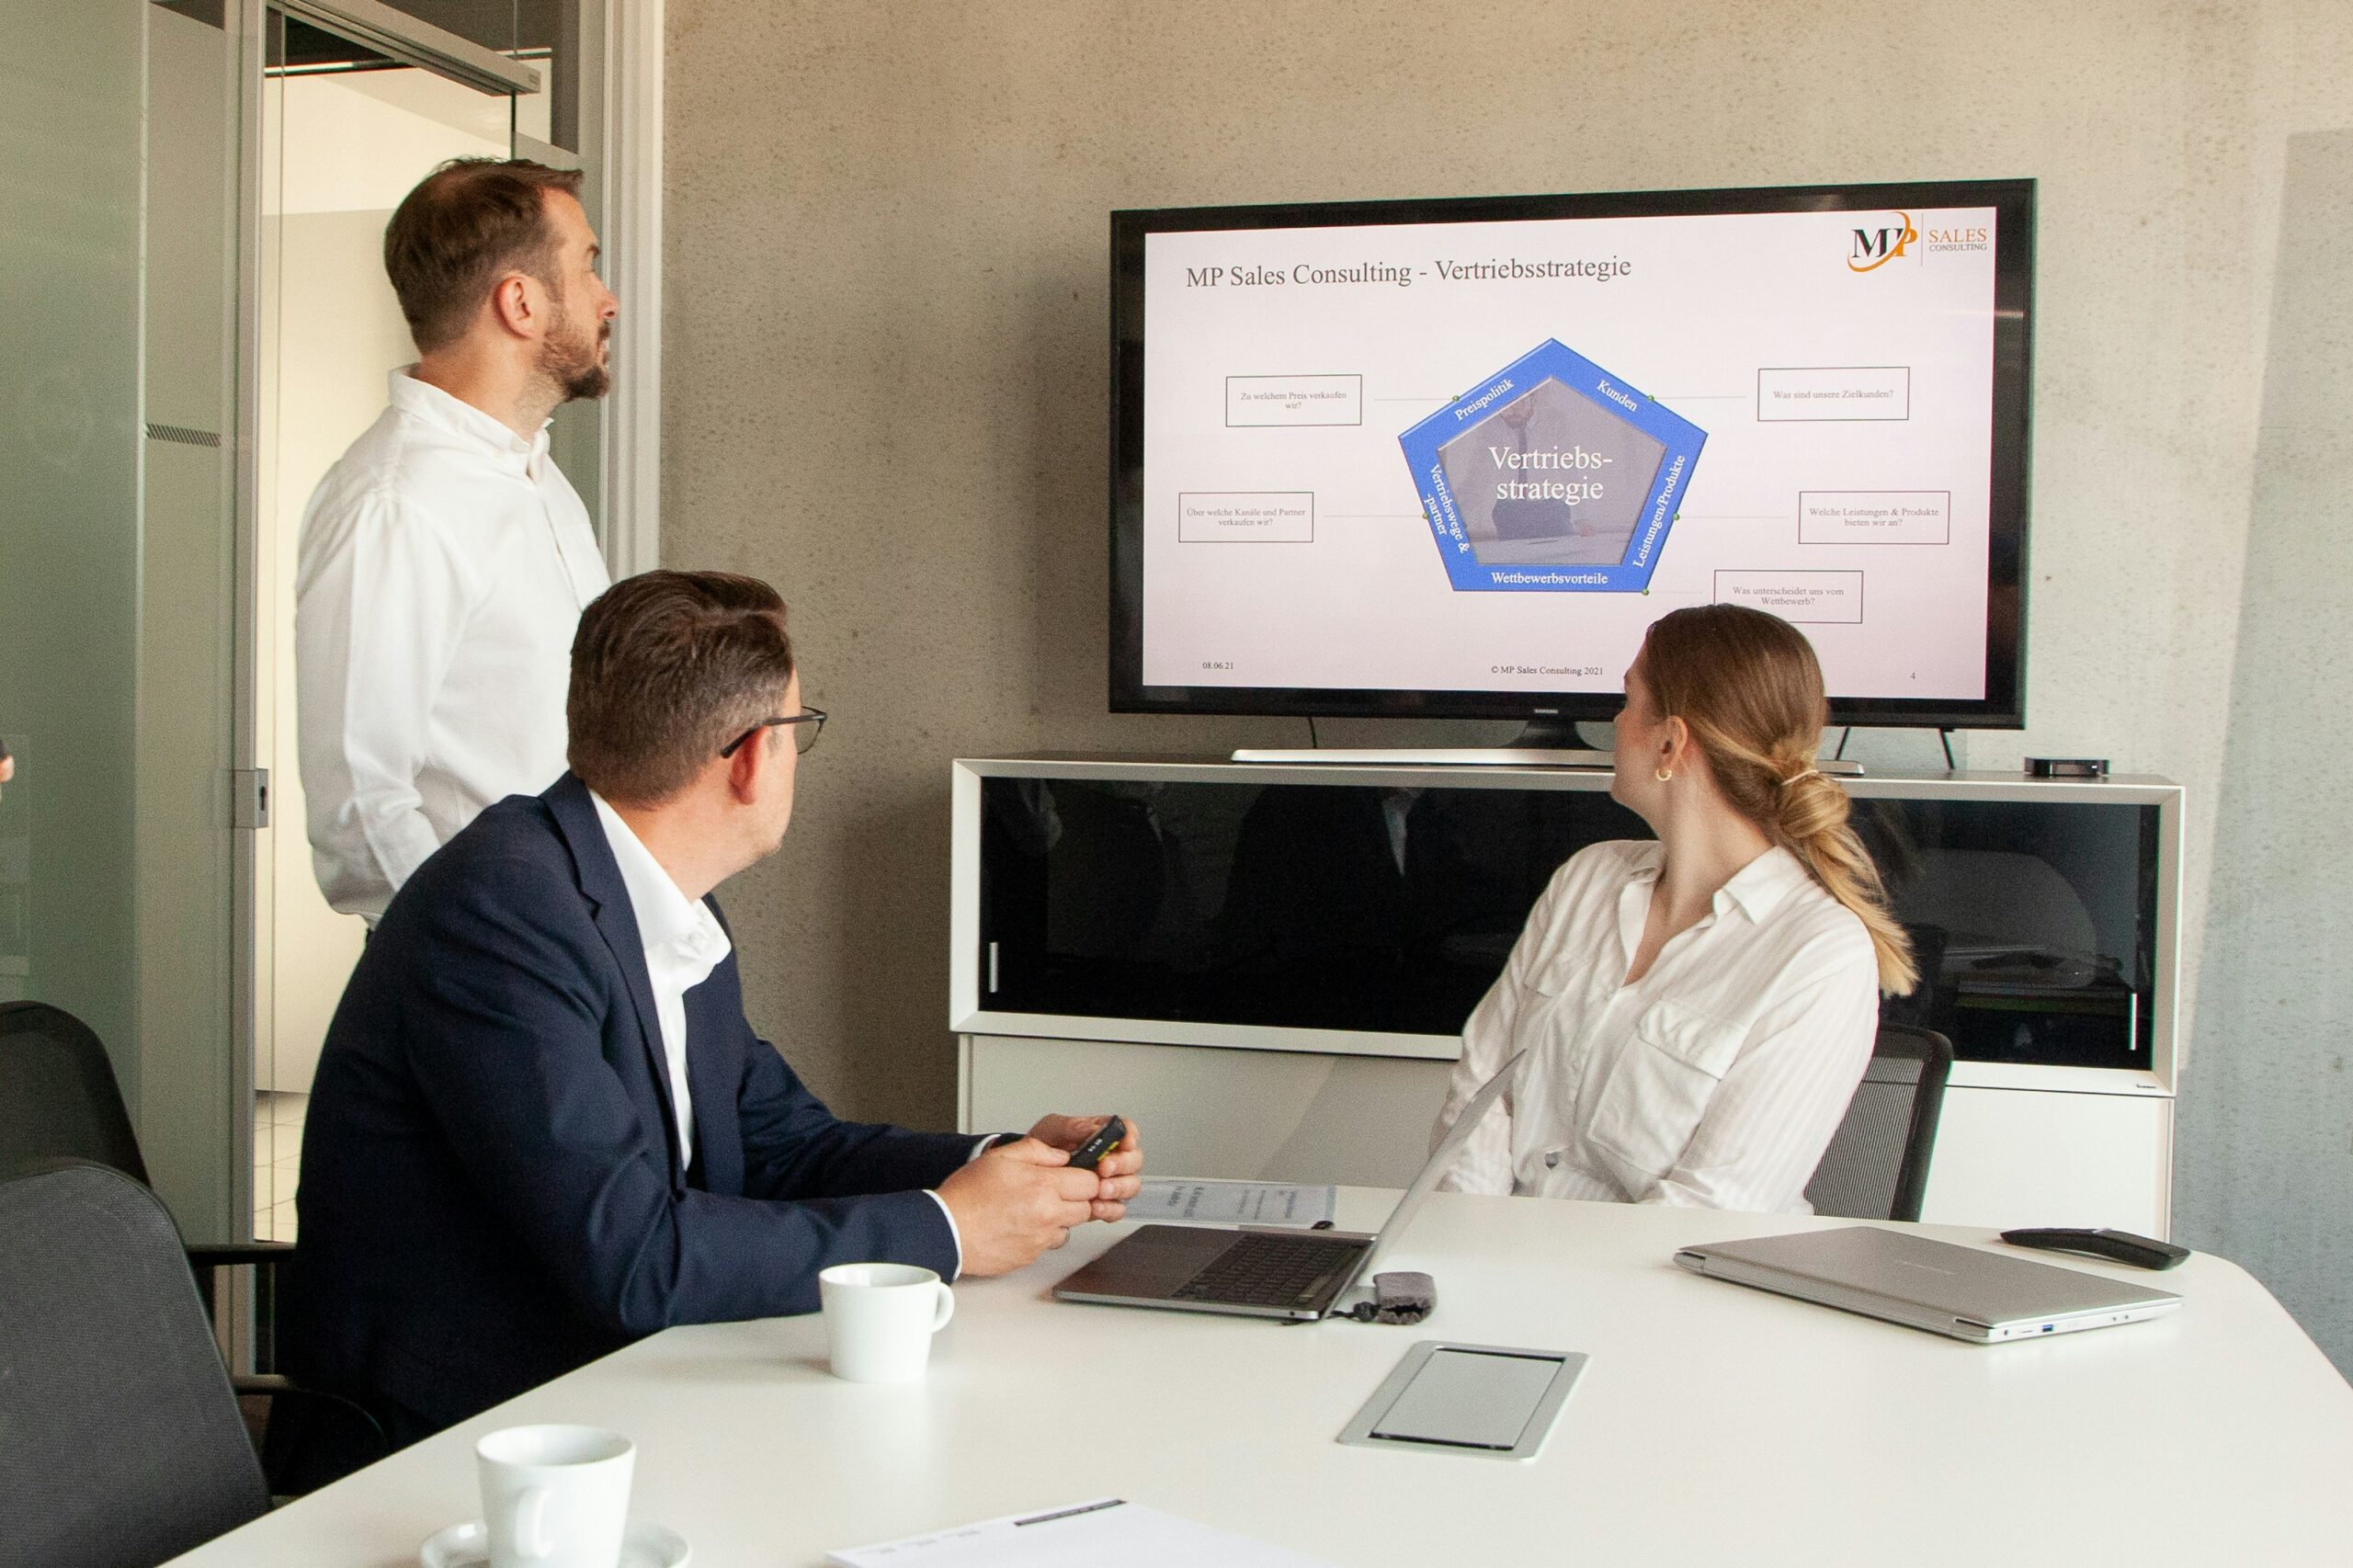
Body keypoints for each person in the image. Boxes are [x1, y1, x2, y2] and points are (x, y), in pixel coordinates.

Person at [283, 570, 1142, 1474]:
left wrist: (1001, 1165)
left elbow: (783, 1146)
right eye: (800, 730)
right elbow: (632, 1256)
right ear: (750, 757)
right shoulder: (499, 913)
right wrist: (949, 1228)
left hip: (619, 1391)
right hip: (459, 1447)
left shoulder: (666, 899)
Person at [1431, 604, 1915, 1212]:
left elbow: (1713, 1208)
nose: (1615, 720)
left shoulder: (1821, 952)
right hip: (1497, 1253)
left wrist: (1537, 1262)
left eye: (1628, 700)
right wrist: (1475, 1243)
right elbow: (1480, 1094)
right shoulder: (1589, 877)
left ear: (1670, 742)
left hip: (1661, 1272)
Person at [295, 158, 617, 925]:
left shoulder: (542, 480)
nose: (607, 299)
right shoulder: (393, 504)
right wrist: (497, 951)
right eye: (587, 267)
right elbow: (359, 811)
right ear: (520, 302)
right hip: (487, 964)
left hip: (577, 941)